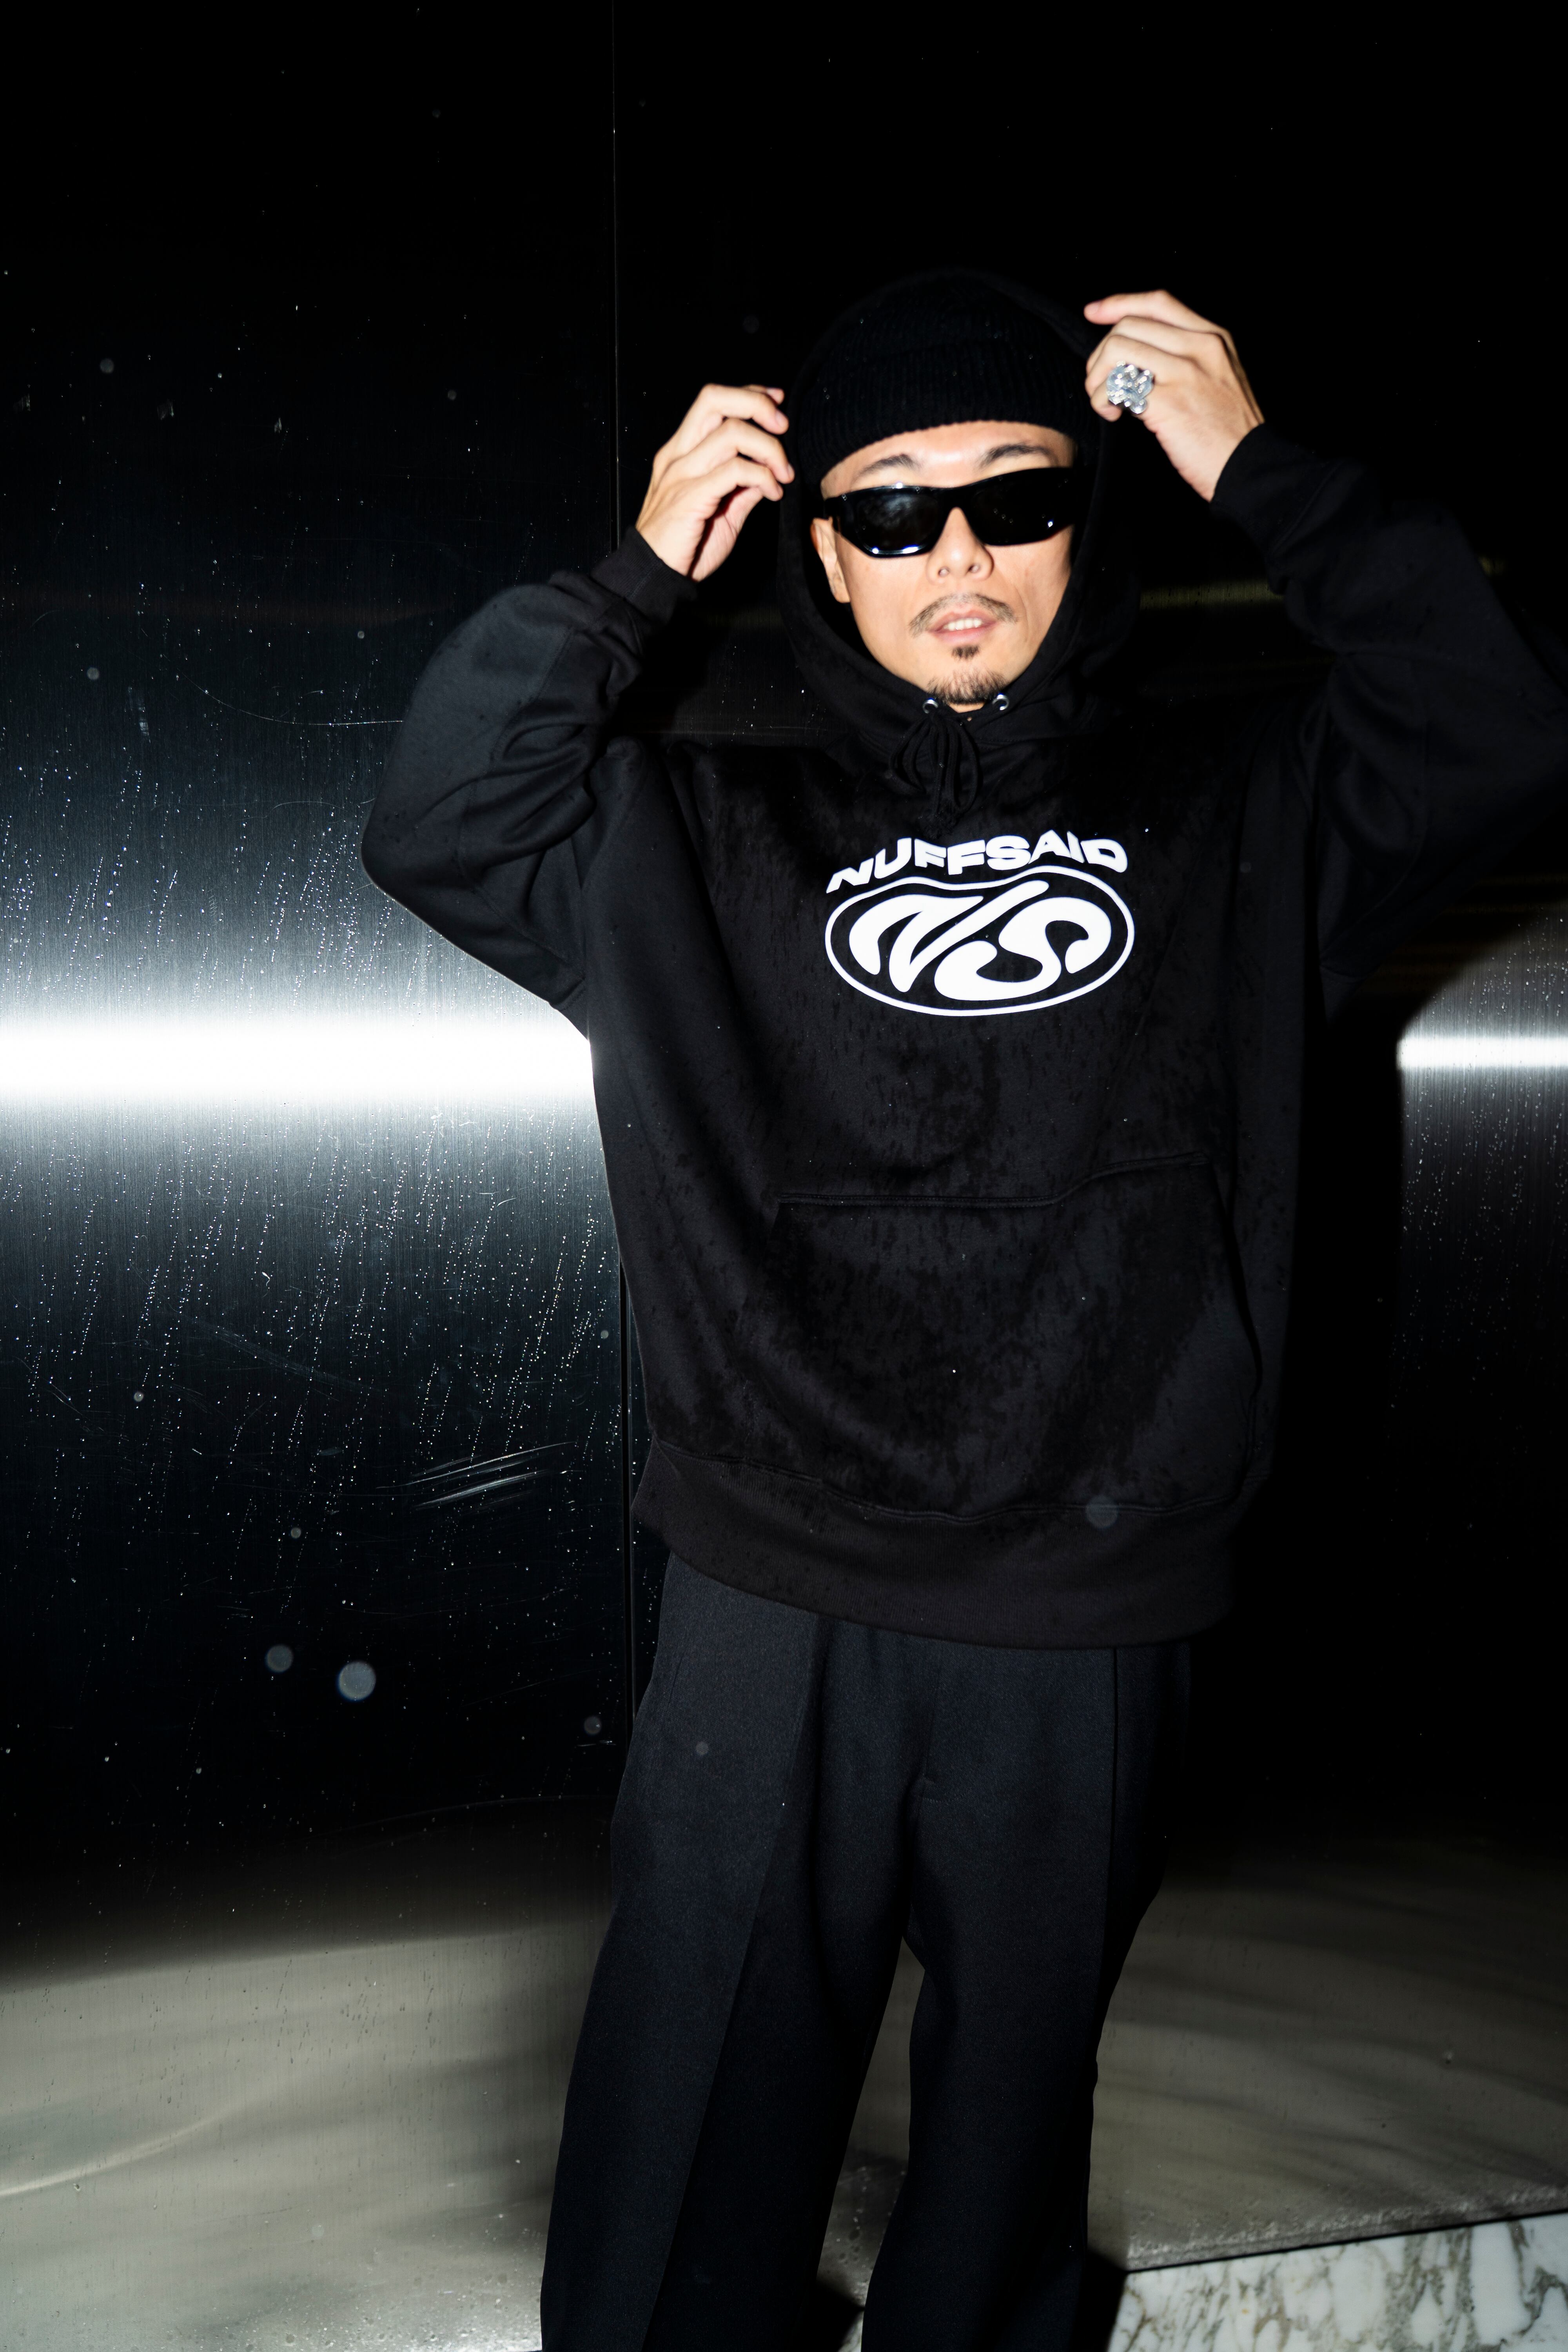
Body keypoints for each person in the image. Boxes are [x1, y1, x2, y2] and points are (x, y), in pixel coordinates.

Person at [361, 273, 1568, 2350]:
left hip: (1091, 1607)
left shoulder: (1248, 806)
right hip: (775, 1595)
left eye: (1016, 499)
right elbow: (443, 816)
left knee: (1003, 2159)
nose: (960, 558)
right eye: (893, 513)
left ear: (1088, 516)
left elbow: (1503, 725)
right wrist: (640, 574)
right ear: (822, 551)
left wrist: (1257, 467)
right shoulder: (697, 827)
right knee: (685, 2158)